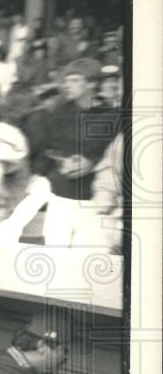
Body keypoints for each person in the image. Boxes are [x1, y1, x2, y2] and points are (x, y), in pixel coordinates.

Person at [25, 57, 121, 245]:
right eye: (66, 80)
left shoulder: (112, 116)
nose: (67, 85)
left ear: (92, 84)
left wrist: (91, 163)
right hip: (60, 197)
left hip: (92, 202)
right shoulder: (59, 113)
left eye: (75, 80)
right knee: (54, 254)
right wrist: (62, 161)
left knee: (83, 259)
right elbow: (48, 149)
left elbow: (115, 156)